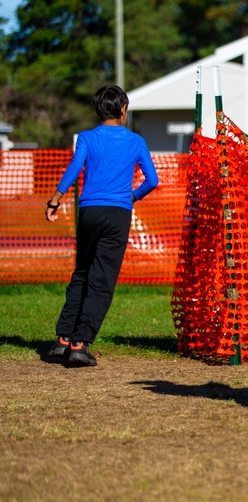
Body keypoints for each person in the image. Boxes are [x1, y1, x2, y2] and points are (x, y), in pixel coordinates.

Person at [45, 85, 159, 367]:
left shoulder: (86, 138)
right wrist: (131, 197)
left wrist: (55, 200)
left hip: (89, 211)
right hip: (118, 212)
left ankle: (63, 339)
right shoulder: (135, 142)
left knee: (81, 272)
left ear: (98, 110)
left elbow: (74, 168)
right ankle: (80, 343)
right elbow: (152, 181)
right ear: (123, 110)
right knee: (102, 279)